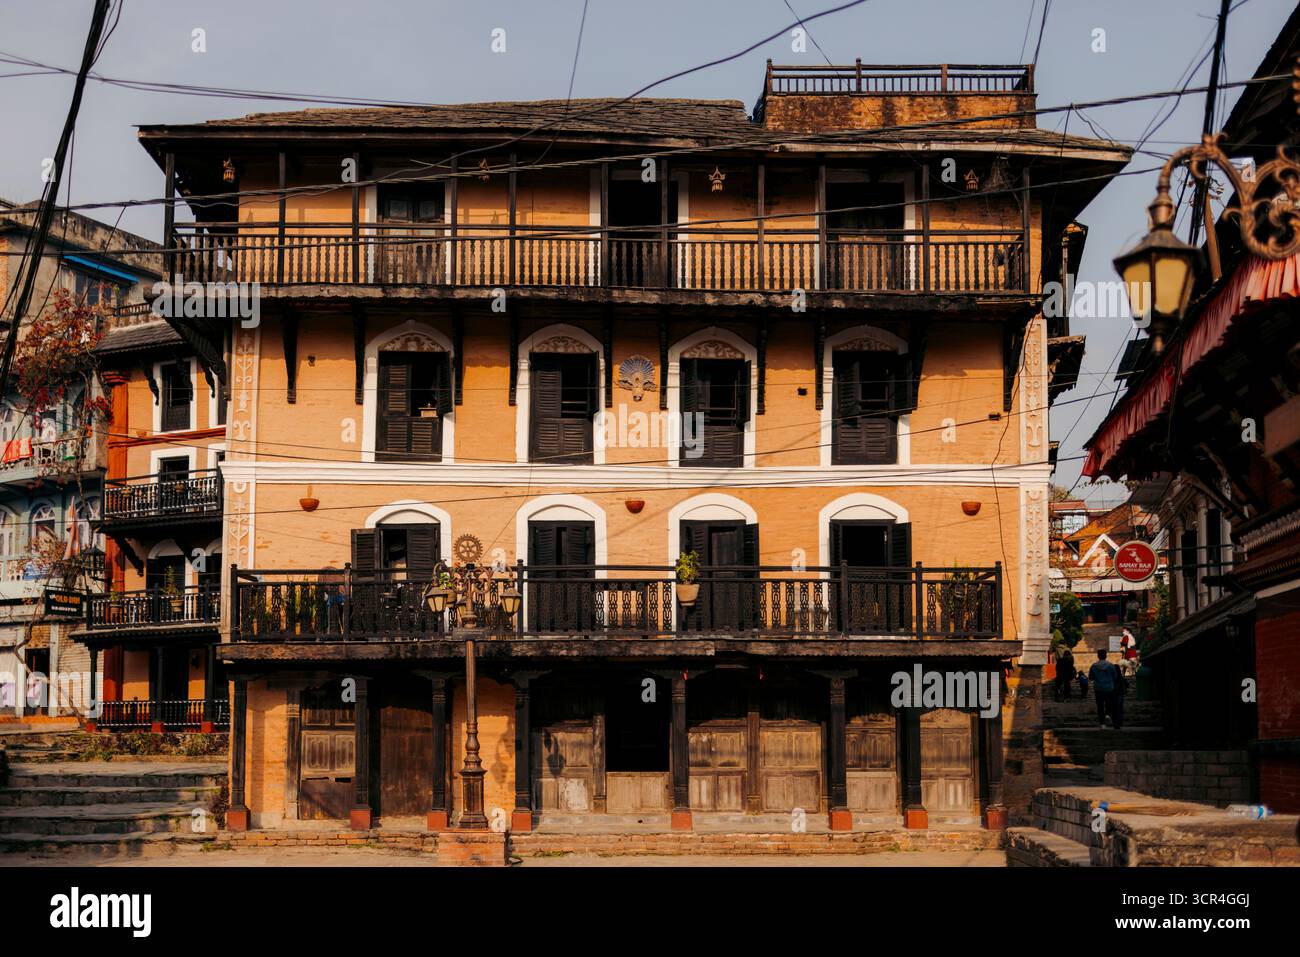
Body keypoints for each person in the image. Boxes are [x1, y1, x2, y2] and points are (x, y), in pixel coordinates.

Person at [1088, 649, 1120, 729]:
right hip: (1109, 688)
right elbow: (1115, 677)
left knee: (1100, 706)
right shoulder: (1111, 666)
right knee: (1109, 703)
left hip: (1098, 688)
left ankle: (1102, 724)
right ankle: (1108, 715)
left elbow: (1091, 677)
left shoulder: (1094, 666)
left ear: (1098, 656)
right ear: (1106, 656)